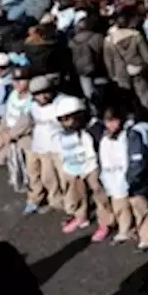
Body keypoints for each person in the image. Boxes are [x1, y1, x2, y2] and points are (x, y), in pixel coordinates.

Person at [94, 104, 148, 250]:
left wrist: (131, 179)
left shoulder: (131, 136)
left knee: (140, 208)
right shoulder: (105, 139)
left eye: (113, 120)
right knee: (120, 208)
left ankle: (147, 235)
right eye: (107, 121)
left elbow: (137, 160)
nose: (110, 124)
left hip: (134, 181)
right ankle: (125, 230)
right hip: (115, 179)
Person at [53, 96, 113, 241]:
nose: (65, 123)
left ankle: (105, 223)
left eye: (68, 118)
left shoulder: (94, 129)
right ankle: (80, 216)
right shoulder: (65, 131)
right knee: (77, 193)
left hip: (92, 167)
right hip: (74, 167)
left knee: (99, 194)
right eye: (61, 120)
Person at [26, 76, 66, 214]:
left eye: (45, 92)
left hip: (60, 147)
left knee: (64, 177)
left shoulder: (62, 102)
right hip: (42, 146)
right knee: (48, 177)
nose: (42, 96)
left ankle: (71, 204)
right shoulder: (32, 105)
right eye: (37, 94)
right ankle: (56, 202)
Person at [0, 67, 32, 174]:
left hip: (24, 133)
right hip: (9, 128)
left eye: (21, 80)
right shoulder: (13, 94)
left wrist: (11, 134)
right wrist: (3, 128)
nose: (17, 83)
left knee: (25, 149)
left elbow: (27, 121)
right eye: (14, 80)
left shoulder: (31, 98)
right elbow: (6, 114)